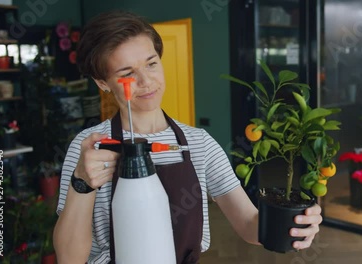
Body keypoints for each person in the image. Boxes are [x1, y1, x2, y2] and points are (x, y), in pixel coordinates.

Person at [53, 10, 323, 264]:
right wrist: (82, 184)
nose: (146, 81)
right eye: (127, 74)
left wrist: (291, 226)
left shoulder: (199, 144)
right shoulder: (90, 147)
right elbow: (69, 258)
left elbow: (248, 224)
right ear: (103, 83)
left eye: (151, 64)